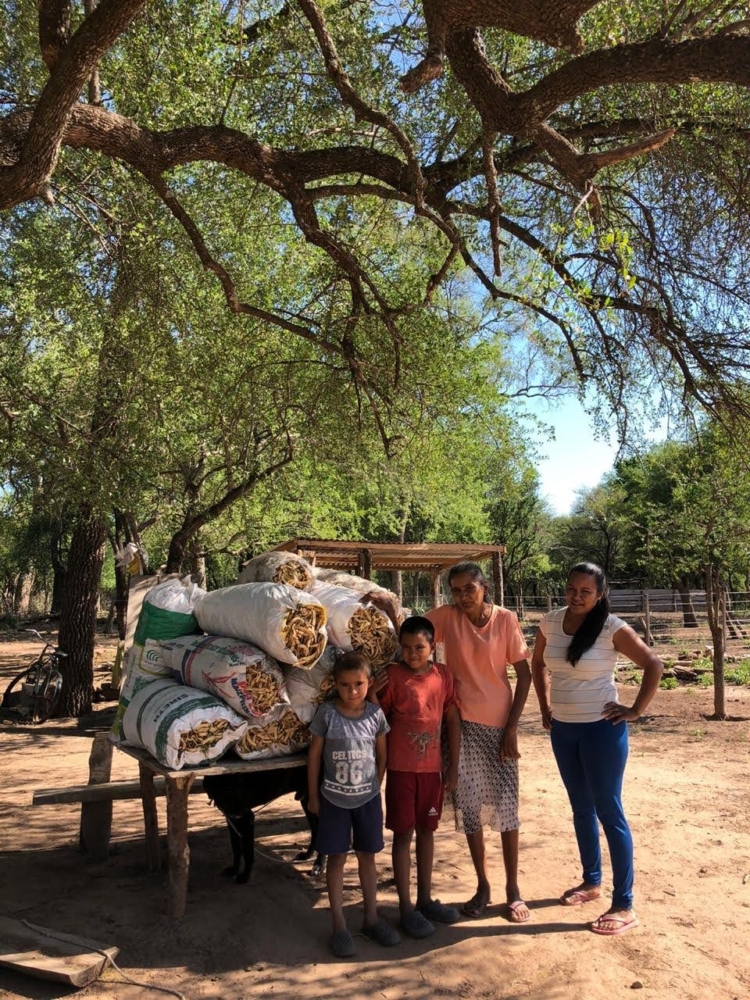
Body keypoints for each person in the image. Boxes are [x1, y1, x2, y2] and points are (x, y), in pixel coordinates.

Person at [531, 561, 663, 936]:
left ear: (600, 595)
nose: (576, 596)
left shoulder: (612, 628)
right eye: (571, 589)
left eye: (585, 591)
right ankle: (591, 882)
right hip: (564, 730)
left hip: (602, 732)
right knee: (580, 809)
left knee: (609, 811)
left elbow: (654, 664)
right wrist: (544, 707)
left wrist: (635, 711)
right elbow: (538, 662)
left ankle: (624, 904)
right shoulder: (550, 622)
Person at [426, 561, 533, 923]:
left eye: (468, 589)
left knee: (506, 807)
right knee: (469, 807)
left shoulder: (505, 620)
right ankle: (483, 885)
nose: (462, 597)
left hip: (500, 725)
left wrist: (512, 728)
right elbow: (414, 633)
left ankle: (513, 889)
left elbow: (524, 673)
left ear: (483, 586)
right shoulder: (447, 617)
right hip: (461, 727)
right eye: (455, 591)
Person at [307, 651, 399, 957]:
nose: (352, 691)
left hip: (368, 800)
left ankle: (371, 918)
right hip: (333, 799)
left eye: (358, 684)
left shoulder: (375, 715)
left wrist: (376, 785)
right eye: (345, 685)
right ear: (336, 684)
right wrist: (313, 795)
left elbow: (382, 754)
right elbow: (315, 757)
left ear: (368, 683)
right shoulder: (327, 714)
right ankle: (339, 925)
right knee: (336, 859)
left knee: (367, 858)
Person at [376, 615, 462, 938]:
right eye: (407, 647)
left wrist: (452, 767)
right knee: (403, 835)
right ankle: (405, 907)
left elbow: (452, 718)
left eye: (420, 647)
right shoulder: (392, 677)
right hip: (400, 771)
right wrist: (372, 692)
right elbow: (376, 717)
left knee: (428, 831)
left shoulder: (443, 676)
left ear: (432, 646)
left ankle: (426, 900)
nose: (413, 654)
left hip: (432, 771)